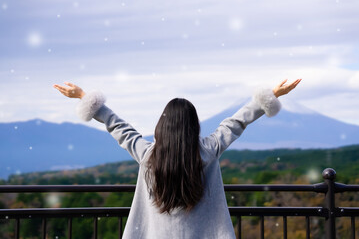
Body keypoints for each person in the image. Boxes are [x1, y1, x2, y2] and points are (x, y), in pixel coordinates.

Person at [54, 79, 301, 239]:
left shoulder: (148, 155)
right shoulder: (209, 150)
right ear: (194, 125)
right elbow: (236, 123)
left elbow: (119, 127)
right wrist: (267, 98)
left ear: (162, 126)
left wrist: (84, 96)